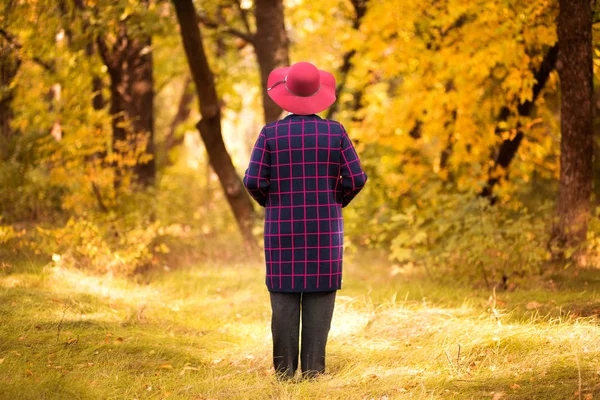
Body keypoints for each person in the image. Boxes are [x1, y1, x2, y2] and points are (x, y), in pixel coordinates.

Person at [243, 61, 367, 380]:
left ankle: (284, 373)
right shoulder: (335, 132)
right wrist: (333, 200)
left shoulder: (271, 134)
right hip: (325, 230)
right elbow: (356, 178)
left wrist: (273, 203)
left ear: (285, 92)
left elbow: (254, 180)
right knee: (320, 294)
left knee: (283, 297)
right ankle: (314, 371)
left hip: (281, 230)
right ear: (319, 93)